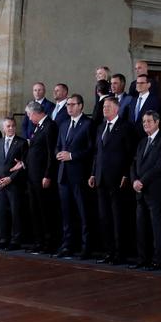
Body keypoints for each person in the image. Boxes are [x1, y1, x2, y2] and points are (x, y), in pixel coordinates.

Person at [91, 97, 134, 264]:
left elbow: (130, 154)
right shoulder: (101, 127)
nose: (104, 109)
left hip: (117, 179)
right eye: (103, 107)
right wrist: (93, 173)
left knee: (118, 218)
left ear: (117, 109)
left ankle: (119, 253)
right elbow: (97, 153)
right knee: (104, 217)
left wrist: (125, 174)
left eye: (108, 107)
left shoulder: (125, 127)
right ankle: (108, 251)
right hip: (101, 178)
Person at [129, 110, 161, 270]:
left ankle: (158, 260)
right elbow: (133, 164)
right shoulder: (141, 142)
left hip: (155, 191)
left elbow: (159, 166)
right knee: (141, 226)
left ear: (157, 122)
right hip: (139, 192)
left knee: (157, 227)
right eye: (143, 121)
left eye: (148, 121)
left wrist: (142, 181)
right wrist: (134, 181)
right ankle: (142, 258)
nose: (145, 124)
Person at [55, 94, 92, 258]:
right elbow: (57, 146)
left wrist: (72, 156)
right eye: (67, 104)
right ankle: (67, 245)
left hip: (79, 175)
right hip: (63, 176)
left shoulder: (88, 124)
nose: (69, 107)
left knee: (84, 213)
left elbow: (91, 150)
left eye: (72, 104)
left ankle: (86, 247)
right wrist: (59, 154)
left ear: (81, 106)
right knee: (66, 213)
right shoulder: (63, 125)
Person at [23, 102, 58, 253]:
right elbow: (34, 150)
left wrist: (48, 175)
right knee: (34, 209)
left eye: (30, 115)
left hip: (42, 176)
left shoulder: (50, 126)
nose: (29, 118)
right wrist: (23, 162)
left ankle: (48, 243)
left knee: (45, 211)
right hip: (32, 176)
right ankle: (39, 241)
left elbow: (51, 153)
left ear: (37, 112)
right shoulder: (38, 127)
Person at [0, 116, 27, 251]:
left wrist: (11, 178)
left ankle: (15, 240)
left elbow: (23, 164)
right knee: (0, 212)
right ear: (3, 128)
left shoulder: (22, 143)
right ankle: (3, 238)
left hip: (14, 184)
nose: (11, 128)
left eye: (13, 126)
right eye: (8, 126)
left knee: (15, 212)